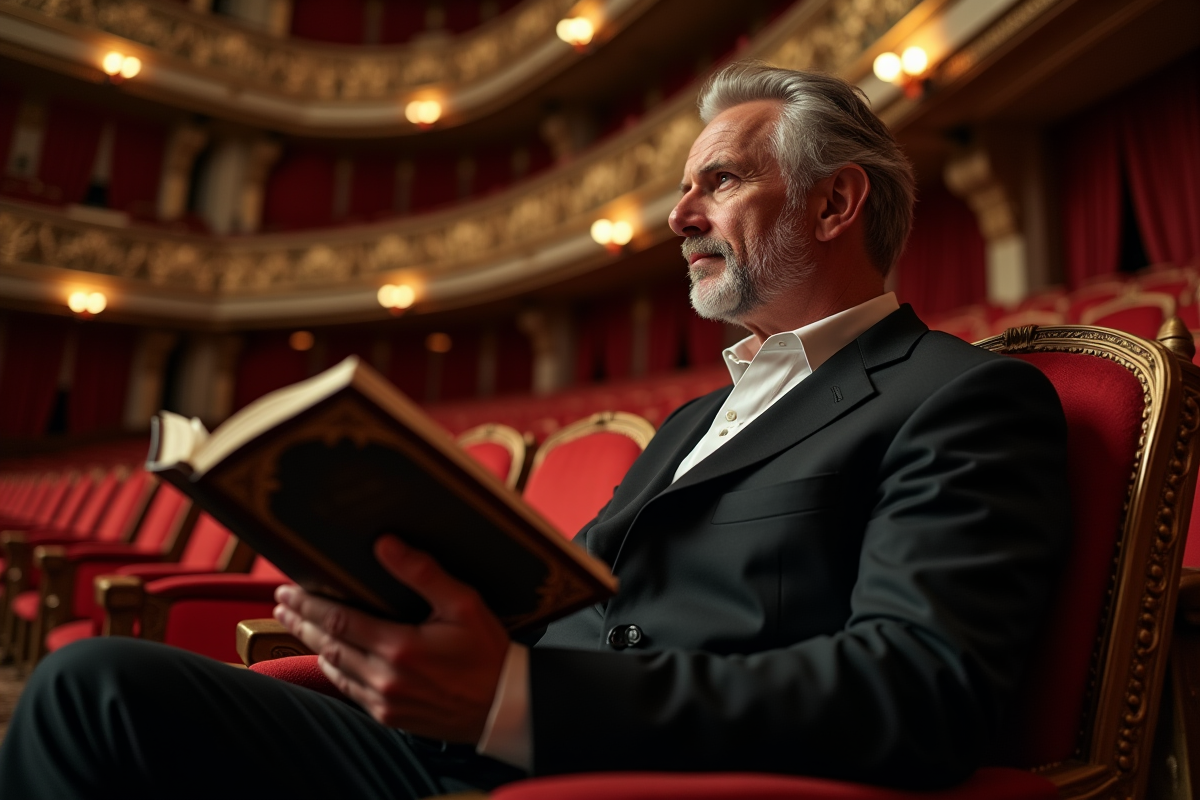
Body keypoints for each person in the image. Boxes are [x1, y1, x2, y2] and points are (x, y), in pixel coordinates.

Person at [0, 62, 1070, 798]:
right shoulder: (699, 413)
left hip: (622, 765)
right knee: (94, 689)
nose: (678, 216)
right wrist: (400, 603)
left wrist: (517, 696)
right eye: (682, 188)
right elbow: (570, 588)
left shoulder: (958, 394)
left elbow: (918, 685)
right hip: (466, 740)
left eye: (721, 182)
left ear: (837, 205)